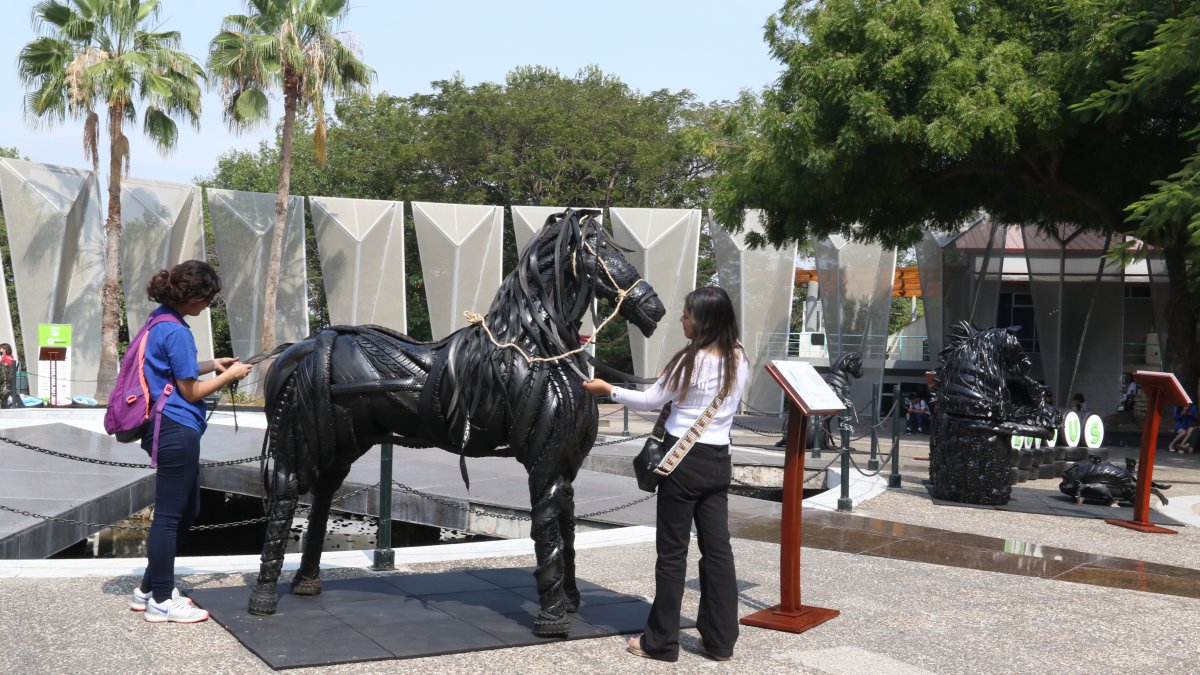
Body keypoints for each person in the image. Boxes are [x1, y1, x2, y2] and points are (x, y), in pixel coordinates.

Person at [581, 287, 748, 663]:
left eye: (687, 314)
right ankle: (720, 641)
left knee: (672, 554)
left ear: (702, 319)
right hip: (719, 460)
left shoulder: (689, 361)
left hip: (682, 461)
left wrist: (608, 390)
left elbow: (650, 401)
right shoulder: (739, 357)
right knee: (718, 551)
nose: (682, 319)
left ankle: (660, 643)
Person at [129, 261, 254, 623]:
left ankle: (148, 590)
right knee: (170, 516)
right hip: (175, 427)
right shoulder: (177, 332)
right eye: (207, 299)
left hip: (167, 425)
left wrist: (212, 363)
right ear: (193, 296)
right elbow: (191, 391)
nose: (207, 306)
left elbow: (173, 370)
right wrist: (230, 375)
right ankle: (163, 602)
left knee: (188, 510)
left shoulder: (160, 320)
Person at [0, 343, 14, 409]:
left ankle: (4, 409)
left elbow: (5, 370)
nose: (0, 349)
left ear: (5, 350)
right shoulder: (9, 357)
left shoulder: (7, 358)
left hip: (6, 380)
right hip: (6, 379)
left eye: (1, 348)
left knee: (4, 394)